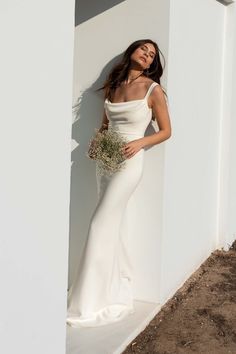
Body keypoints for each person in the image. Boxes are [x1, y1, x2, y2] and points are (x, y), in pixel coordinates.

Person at [66, 39, 172, 328]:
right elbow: (105, 125)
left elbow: (166, 131)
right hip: (106, 161)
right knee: (116, 226)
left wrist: (140, 142)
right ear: (132, 52)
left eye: (151, 55)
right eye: (144, 50)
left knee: (99, 224)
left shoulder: (153, 89)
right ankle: (111, 289)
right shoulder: (114, 85)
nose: (147, 55)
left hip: (130, 163)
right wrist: (97, 143)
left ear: (152, 64)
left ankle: (86, 302)